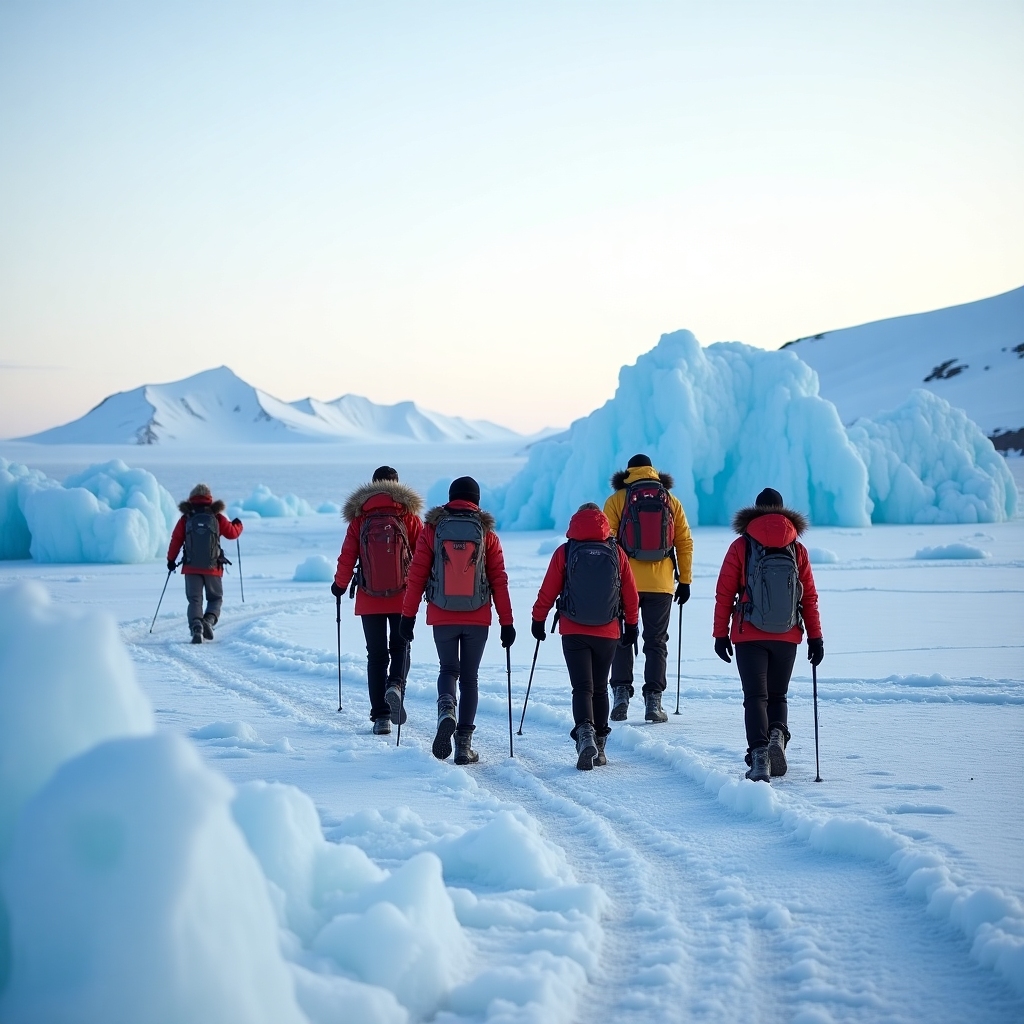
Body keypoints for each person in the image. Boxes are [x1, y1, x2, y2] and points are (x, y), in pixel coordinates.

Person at [400, 476, 515, 765]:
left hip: (442, 612)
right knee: (470, 678)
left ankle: (446, 708)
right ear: (476, 500)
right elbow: (499, 580)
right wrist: (507, 621)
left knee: (448, 669)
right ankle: (464, 745)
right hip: (478, 616)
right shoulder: (487, 534)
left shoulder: (432, 530)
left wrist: (408, 616)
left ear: (451, 498)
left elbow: (416, 576)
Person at [712, 487, 824, 783]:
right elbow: (808, 597)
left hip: (749, 634)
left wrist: (720, 634)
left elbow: (724, 594)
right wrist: (816, 637)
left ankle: (760, 756)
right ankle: (777, 735)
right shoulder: (797, 549)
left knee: (755, 697)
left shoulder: (741, 545)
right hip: (787, 634)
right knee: (778, 694)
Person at [531, 503, 640, 770]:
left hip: (573, 629)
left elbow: (548, 590)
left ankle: (584, 734)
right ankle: (600, 746)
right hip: (608, 630)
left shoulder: (566, 551)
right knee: (600, 687)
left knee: (582, 687)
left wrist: (538, 619)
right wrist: (633, 624)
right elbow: (630, 593)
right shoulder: (616, 551)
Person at [332, 466, 424, 736]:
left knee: (376, 656)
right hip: (403, 596)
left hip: (369, 596)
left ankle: (381, 717)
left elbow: (347, 556)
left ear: (372, 486)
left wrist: (339, 584)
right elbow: (421, 558)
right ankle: (395, 685)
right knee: (401, 648)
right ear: (398, 485)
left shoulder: (360, 519)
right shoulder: (408, 517)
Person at [603, 454, 693, 724]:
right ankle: (653, 700)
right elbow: (684, 542)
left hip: (624, 582)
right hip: (661, 584)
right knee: (656, 641)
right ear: (653, 471)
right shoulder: (670, 500)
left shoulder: (618, 499)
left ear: (628, 472)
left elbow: (606, 541)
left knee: (622, 636)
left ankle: (620, 693)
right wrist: (685, 580)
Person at [166, 483, 244, 644]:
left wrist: (171, 560)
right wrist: (238, 525)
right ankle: (208, 621)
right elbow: (232, 534)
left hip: (190, 567)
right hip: (213, 567)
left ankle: (196, 626)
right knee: (215, 598)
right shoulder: (217, 517)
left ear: (191, 498)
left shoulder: (186, 518)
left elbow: (176, 540)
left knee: (195, 600)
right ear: (210, 498)